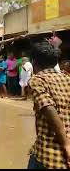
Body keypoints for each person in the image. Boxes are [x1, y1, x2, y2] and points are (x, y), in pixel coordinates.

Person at [27, 39, 70, 169]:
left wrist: (66, 144)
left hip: (48, 155)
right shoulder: (67, 78)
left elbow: (49, 109)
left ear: (34, 62)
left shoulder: (37, 80)